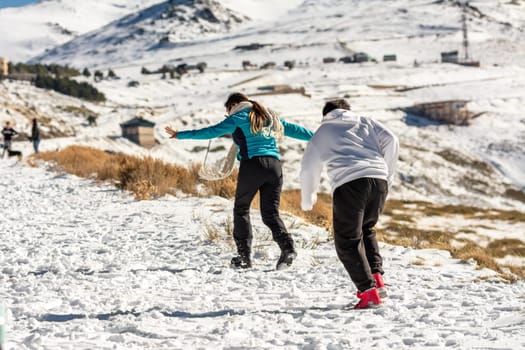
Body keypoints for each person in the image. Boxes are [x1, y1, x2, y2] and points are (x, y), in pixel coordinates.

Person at [165, 93, 313, 269]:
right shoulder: (269, 116)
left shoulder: (238, 116)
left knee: (241, 209)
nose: (228, 114)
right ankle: (288, 248)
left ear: (233, 104)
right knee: (271, 213)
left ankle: (244, 258)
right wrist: (320, 137)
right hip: (274, 167)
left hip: (253, 165)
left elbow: (210, 131)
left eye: (228, 110)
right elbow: (296, 130)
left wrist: (179, 135)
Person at [300, 99, 399, 309]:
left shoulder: (323, 131)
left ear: (326, 114)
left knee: (347, 239)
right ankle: (377, 280)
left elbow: (309, 168)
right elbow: (391, 139)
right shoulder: (366, 121)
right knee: (366, 229)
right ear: (347, 110)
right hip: (379, 179)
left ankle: (368, 292)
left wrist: (308, 199)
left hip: (350, 182)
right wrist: (387, 175)